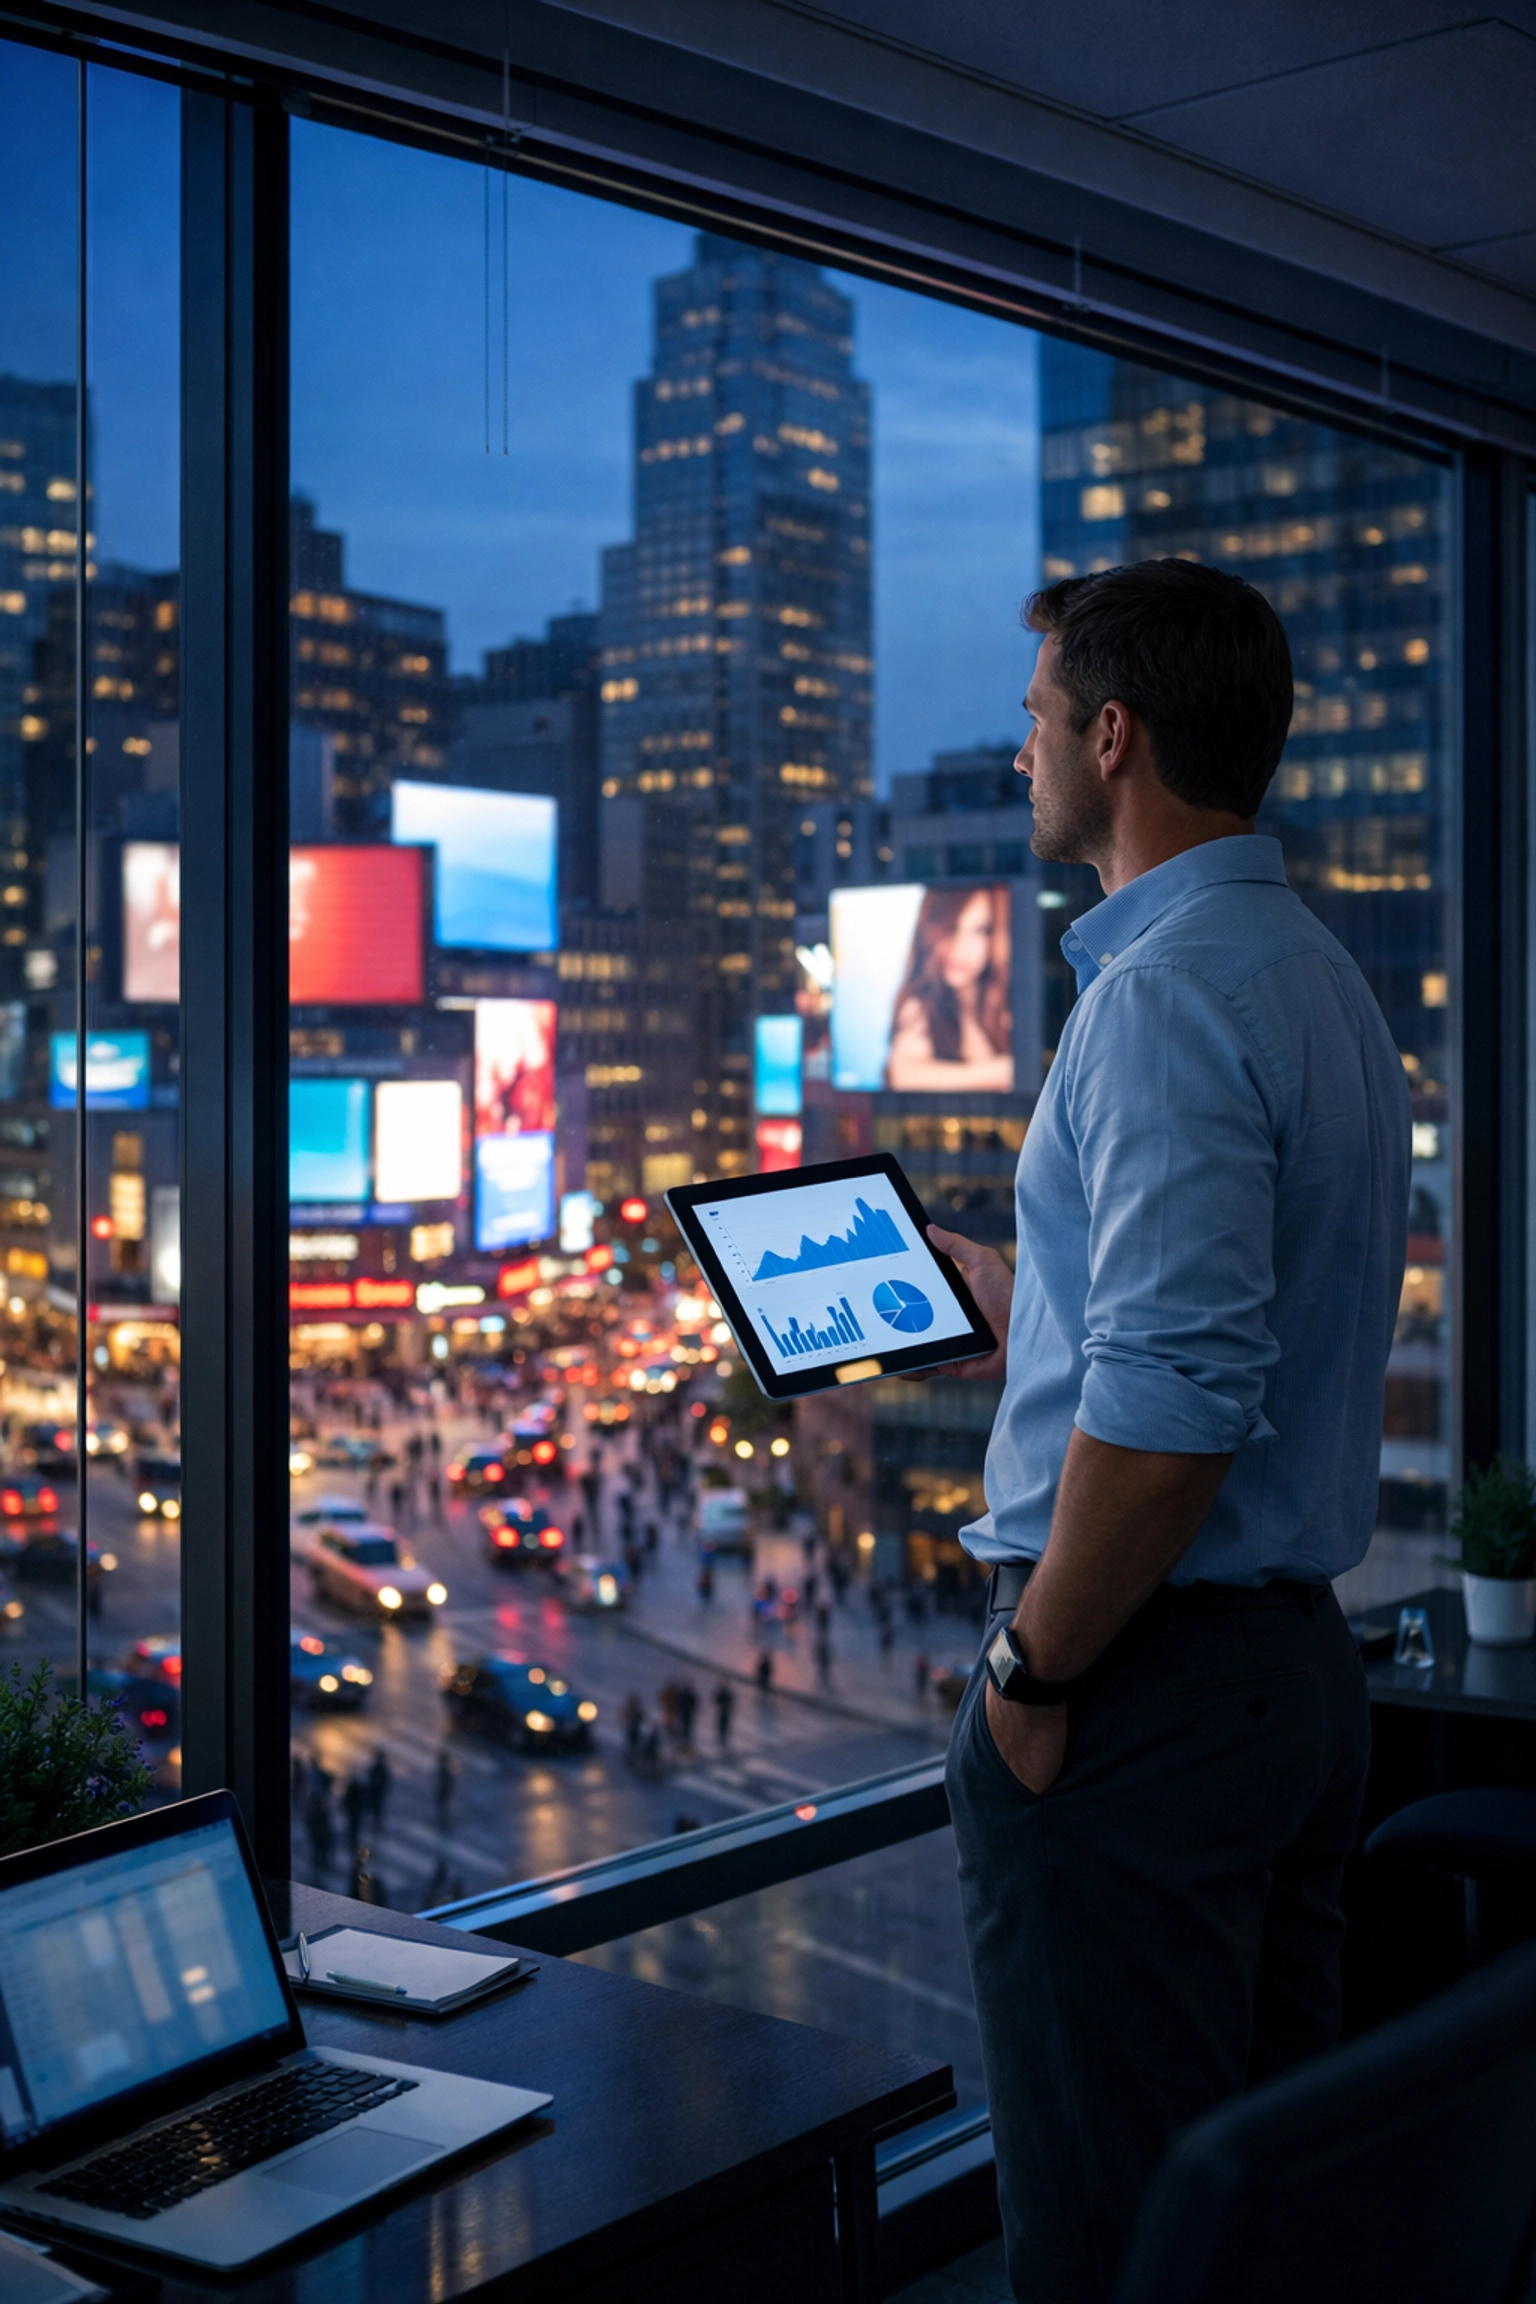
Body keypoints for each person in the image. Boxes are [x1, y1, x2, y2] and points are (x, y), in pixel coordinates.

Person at [939, 560, 1408, 2304]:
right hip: (1287, 1677)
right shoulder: (1314, 976)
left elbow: (1170, 1410)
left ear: (1112, 734)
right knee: (1256, 2225)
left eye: (1037, 719)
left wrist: (1032, 1676)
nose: (1023, 757)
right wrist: (1032, 1298)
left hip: (1144, 1692)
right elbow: (1224, 1324)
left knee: (1113, 2237)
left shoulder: (1155, 994)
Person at [884, 884, 1013, 1092]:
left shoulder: (1002, 1004)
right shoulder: (920, 1006)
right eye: (952, 928)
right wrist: (1004, 1072)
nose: (961, 947)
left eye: (981, 931)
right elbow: (903, 1073)